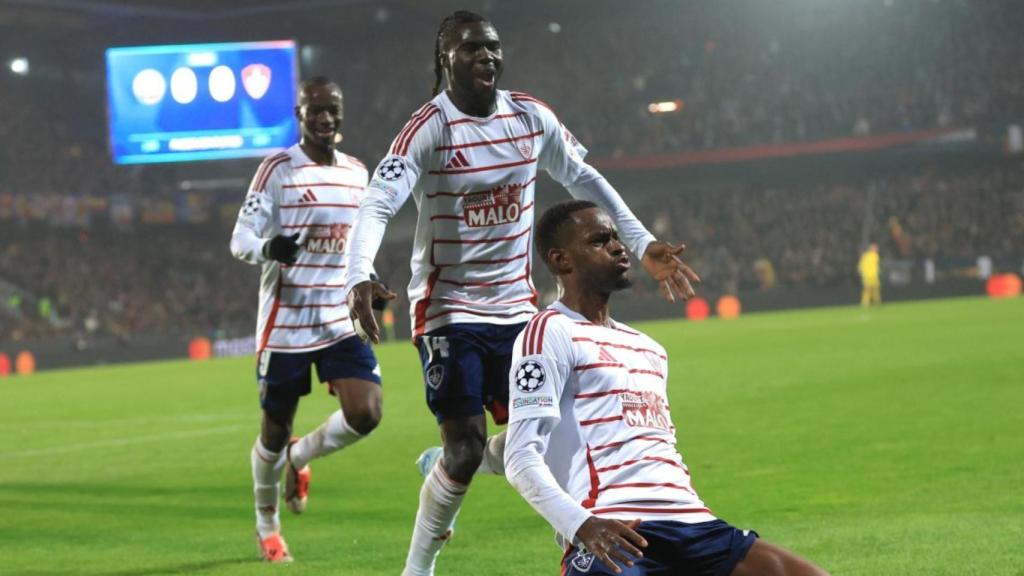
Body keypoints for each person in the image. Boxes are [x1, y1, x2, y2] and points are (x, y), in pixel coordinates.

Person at [344, 11, 698, 576]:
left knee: (553, 442)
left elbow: (583, 178)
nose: (485, 56)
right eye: (470, 49)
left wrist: (643, 240)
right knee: (466, 451)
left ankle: (458, 473)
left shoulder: (530, 117)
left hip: (520, 311)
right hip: (449, 311)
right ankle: (418, 569)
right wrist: (357, 272)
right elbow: (378, 201)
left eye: (491, 47)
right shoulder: (428, 128)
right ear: (445, 59)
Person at [505, 200, 830, 576]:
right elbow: (520, 456)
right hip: (616, 527)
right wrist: (581, 526)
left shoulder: (650, 349)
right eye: (599, 240)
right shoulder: (549, 332)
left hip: (696, 526)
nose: (618, 246)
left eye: (616, 237)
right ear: (562, 260)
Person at [230, 76, 395, 563]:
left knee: (367, 413)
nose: (324, 117)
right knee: (273, 431)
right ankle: (268, 526)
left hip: (339, 316)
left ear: (341, 114)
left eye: (332, 109)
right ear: (299, 114)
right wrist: (267, 248)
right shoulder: (277, 169)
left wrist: (371, 280)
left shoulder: (358, 173)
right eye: (314, 109)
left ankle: (300, 458)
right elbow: (239, 238)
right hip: (286, 324)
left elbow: (356, 245)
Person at [858, 243, 881, 308]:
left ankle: (872, 302)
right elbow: (861, 265)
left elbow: (860, 266)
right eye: (875, 248)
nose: (877, 249)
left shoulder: (865, 255)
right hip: (870, 275)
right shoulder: (875, 256)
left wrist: (861, 271)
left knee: (873, 290)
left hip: (870, 275)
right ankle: (868, 303)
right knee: (870, 289)